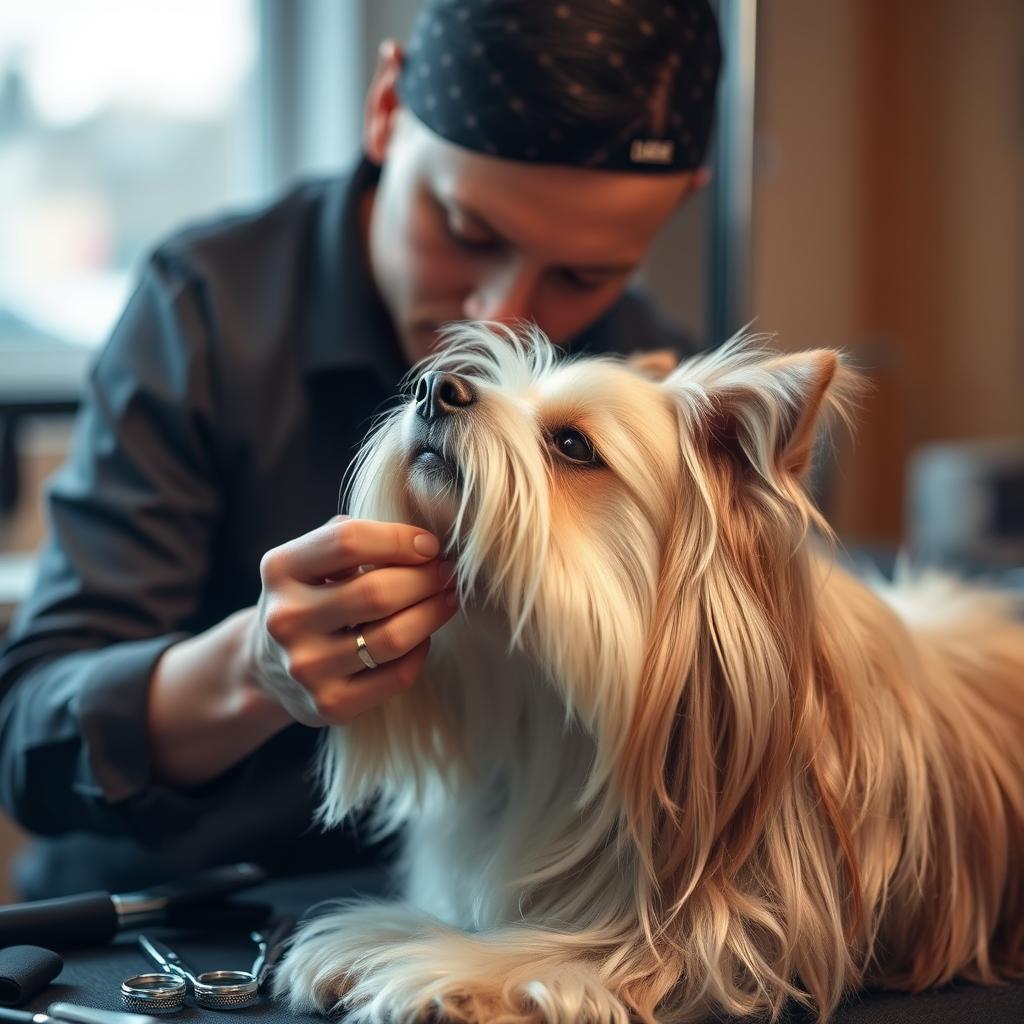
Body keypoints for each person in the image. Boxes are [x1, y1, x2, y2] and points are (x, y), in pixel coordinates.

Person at [0, 0, 721, 898]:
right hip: (169, 918)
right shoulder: (205, 311)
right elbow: (29, 741)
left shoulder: (656, 394)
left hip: (471, 918)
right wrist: (251, 669)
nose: (497, 316)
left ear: (685, 192)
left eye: (584, 275)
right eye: (466, 231)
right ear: (385, 107)